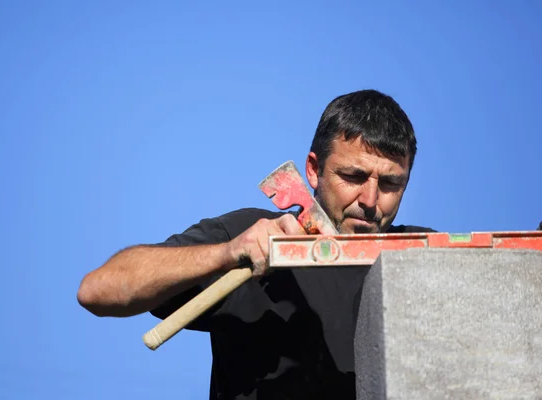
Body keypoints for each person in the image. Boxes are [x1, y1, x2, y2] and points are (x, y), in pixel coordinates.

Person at [77, 89, 435, 399]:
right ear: (313, 169)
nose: (371, 199)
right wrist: (227, 254)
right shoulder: (255, 237)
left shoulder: (425, 256)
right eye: (353, 176)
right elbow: (98, 290)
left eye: (390, 184)